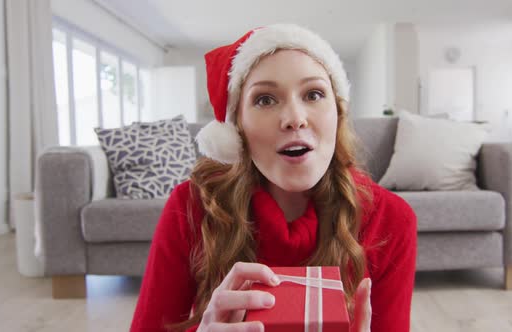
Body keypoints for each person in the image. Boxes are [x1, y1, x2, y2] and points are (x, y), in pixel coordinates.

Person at [130, 24, 417, 332]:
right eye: (265, 99)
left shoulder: (391, 219)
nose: (295, 118)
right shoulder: (191, 205)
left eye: (314, 94)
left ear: (338, 113)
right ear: (236, 126)